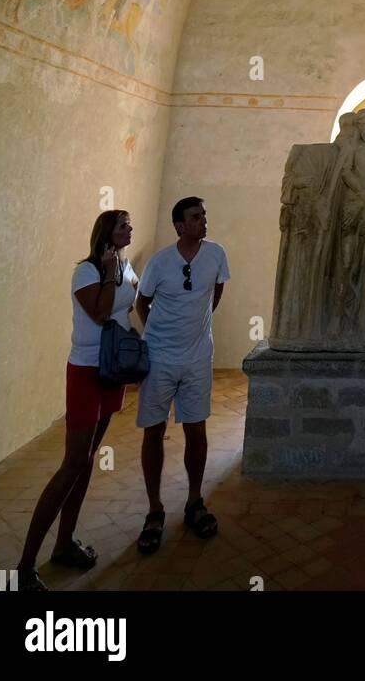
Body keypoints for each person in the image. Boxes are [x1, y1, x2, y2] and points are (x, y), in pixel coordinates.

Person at [15, 209, 139, 591]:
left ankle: (64, 544)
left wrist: (117, 274)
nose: (129, 229)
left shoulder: (125, 266)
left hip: (111, 369)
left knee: (86, 463)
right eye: (123, 225)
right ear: (106, 232)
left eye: (129, 224)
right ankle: (24, 566)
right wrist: (105, 273)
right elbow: (101, 313)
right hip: (86, 370)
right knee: (72, 464)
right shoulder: (85, 272)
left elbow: (127, 306)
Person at [134, 197, 229, 554]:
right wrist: (157, 338)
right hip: (158, 358)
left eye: (204, 215)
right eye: (195, 217)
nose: (203, 221)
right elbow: (142, 303)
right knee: (154, 430)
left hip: (198, 357)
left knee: (196, 428)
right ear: (179, 225)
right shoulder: (160, 262)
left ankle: (194, 502)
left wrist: (196, 329)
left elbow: (216, 291)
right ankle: (154, 510)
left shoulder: (217, 254)